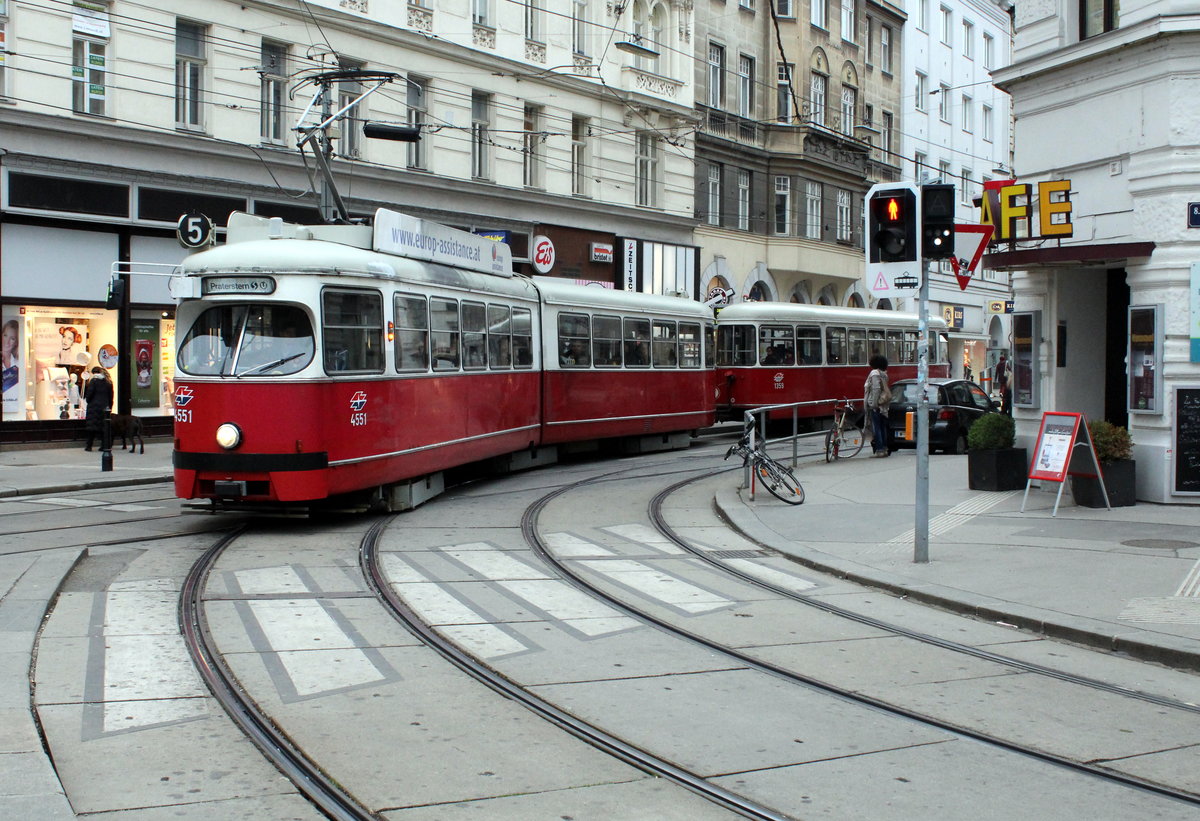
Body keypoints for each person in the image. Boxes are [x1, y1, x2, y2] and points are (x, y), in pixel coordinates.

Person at [863, 353, 892, 457]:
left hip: (877, 406)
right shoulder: (884, 374)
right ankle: (884, 449)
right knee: (882, 427)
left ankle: (879, 450)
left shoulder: (874, 373)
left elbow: (876, 390)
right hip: (884, 406)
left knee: (877, 428)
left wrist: (874, 404)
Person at [82, 366, 113, 452]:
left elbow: (89, 394)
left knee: (91, 427)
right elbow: (111, 397)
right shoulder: (108, 382)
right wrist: (109, 407)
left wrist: (88, 401)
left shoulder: (94, 381)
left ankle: (89, 446)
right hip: (104, 408)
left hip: (94, 407)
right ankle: (104, 446)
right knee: (103, 427)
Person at [2, 319, 18, 394]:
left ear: (16, 342)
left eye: (12, 338)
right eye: (5, 335)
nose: (7, 342)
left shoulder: (18, 363)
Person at [995, 352, 1011, 416]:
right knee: (1005, 386)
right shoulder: (1006, 364)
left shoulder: (998, 365)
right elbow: (1009, 369)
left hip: (1000, 378)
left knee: (1001, 386)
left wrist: (995, 378)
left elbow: (996, 372)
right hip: (1005, 377)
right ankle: (1003, 393)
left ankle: (1001, 393)